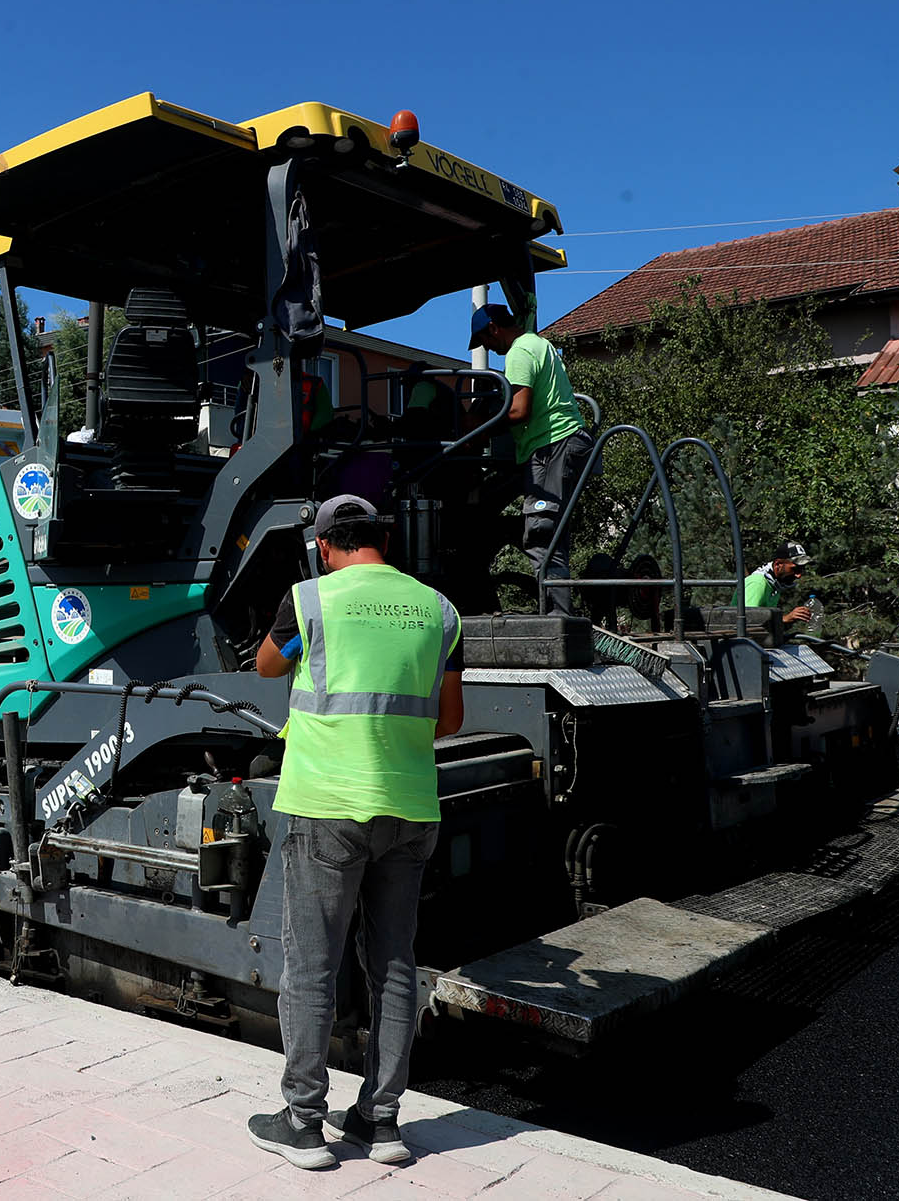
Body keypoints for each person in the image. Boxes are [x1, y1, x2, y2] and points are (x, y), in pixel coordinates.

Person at [246, 495, 464, 1170]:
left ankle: (304, 1121)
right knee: (394, 966)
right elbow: (449, 718)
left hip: (329, 804)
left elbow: (266, 666)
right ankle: (381, 1120)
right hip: (409, 806)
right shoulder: (439, 609)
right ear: (383, 541)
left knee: (313, 964)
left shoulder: (310, 599)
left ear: (324, 545)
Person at [469, 304, 592, 615]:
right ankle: (558, 612)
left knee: (542, 533)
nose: (489, 349)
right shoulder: (540, 343)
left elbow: (519, 410)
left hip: (552, 447)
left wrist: (481, 429)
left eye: (486, 340)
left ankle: (557, 619)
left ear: (494, 328)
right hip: (563, 444)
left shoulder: (519, 352)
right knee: (545, 529)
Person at [740, 542, 814, 626]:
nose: (799, 575)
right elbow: (747, 620)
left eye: (801, 570)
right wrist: (784, 619)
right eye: (795, 569)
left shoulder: (774, 584)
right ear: (777, 565)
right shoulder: (758, 583)